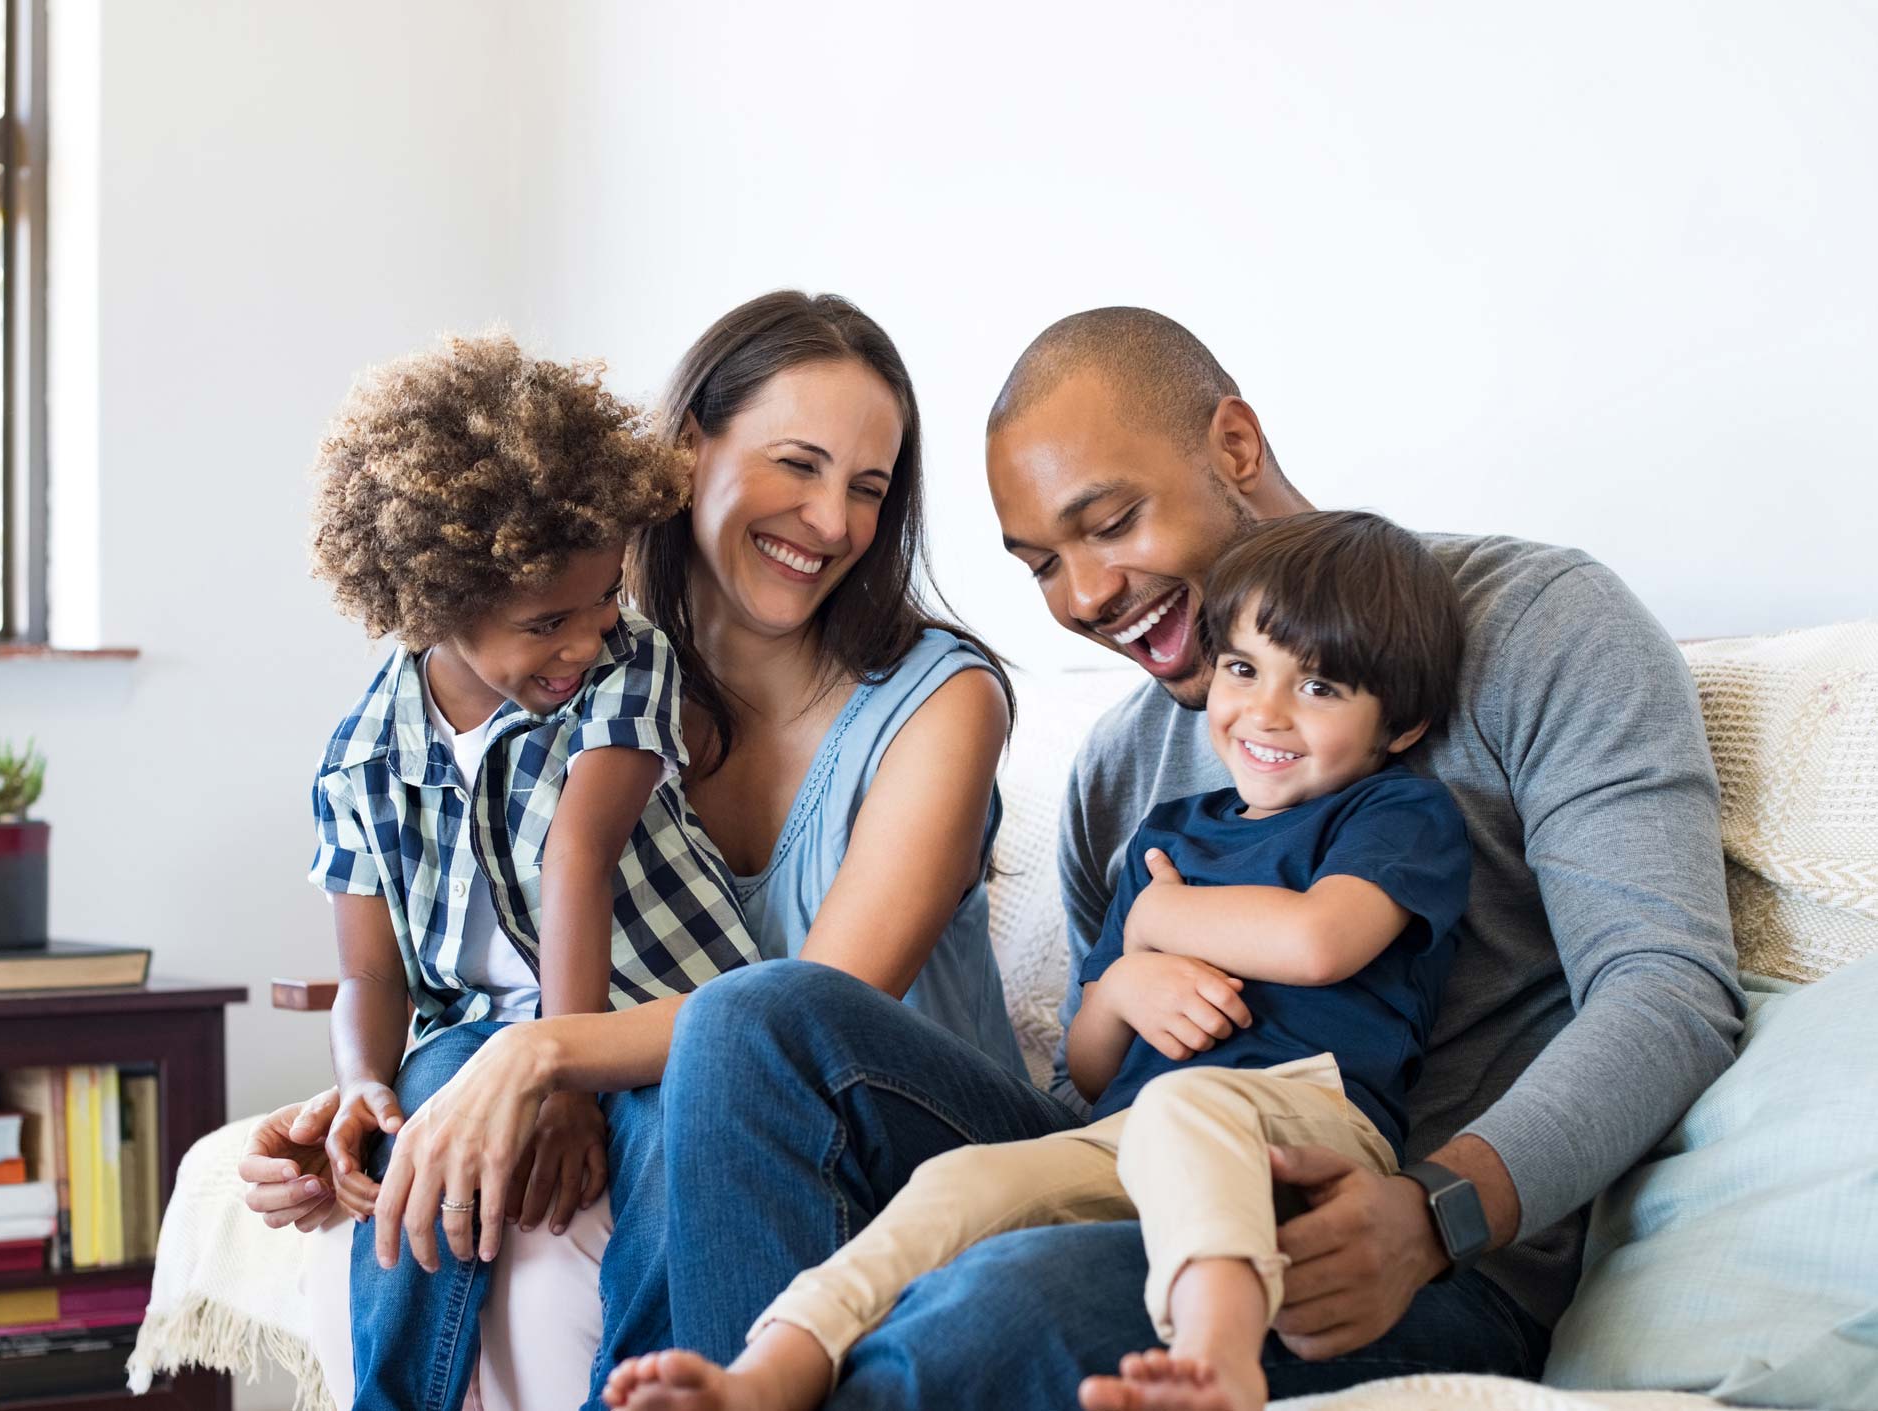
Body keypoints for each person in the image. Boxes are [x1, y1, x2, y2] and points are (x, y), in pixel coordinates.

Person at [650, 306, 1743, 1406]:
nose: (1083, 598)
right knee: (750, 1019)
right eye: (1040, 565)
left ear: (1232, 446)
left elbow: (1667, 990)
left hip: (1396, 1250)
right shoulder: (1120, 766)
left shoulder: (1539, 627)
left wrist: (1437, 1210)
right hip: (1145, 1169)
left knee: (992, 1306)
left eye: (1111, 522)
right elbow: (1096, 1077)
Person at [238, 291, 1043, 1409]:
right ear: (682, 453)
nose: (831, 521)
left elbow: (813, 1012)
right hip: (694, 1099)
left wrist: (542, 1055)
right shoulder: (583, 681)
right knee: (458, 1123)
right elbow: (463, 944)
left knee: (713, 1066)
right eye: (797, 466)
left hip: (902, 1133)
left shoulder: (938, 704)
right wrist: (374, 1100)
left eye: (867, 487)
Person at [605, 510, 1472, 1411]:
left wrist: (1160, 917)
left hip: (1308, 1126)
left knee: (1187, 1102)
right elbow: (1091, 1066)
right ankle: (771, 1369)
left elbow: (1317, 940)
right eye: (1243, 668)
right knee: (962, 1181)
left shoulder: (1394, 815)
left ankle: (1219, 1361)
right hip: (1126, 1136)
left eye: (1320, 687)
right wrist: (1127, 977)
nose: (1264, 712)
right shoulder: (1169, 833)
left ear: (1400, 724)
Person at [300, 332, 766, 1411]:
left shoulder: (625, 663)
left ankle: (645, 1393)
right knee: (422, 1126)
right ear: (432, 603)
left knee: (670, 1147)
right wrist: (364, 1083)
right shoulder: (361, 757)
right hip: (474, 1033)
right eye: (545, 622)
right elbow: (371, 976)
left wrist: (562, 1073)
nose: (584, 637)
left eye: (602, 596)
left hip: (660, 1013)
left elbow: (577, 853)